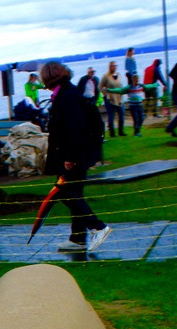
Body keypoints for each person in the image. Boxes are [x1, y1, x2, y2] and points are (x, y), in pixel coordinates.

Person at [40, 61, 111, 254]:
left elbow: (74, 127)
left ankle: (98, 227)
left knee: (64, 192)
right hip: (78, 152)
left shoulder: (67, 95)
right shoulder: (66, 93)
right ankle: (77, 238)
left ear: (48, 77)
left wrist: (69, 156)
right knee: (74, 193)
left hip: (74, 155)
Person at [100, 61, 126, 137]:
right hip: (110, 99)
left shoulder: (119, 75)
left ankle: (121, 131)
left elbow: (121, 86)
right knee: (111, 116)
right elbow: (100, 87)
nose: (113, 67)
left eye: (115, 66)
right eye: (112, 66)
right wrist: (105, 94)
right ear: (109, 67)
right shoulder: (106, 76)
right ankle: (112, 133)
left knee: (121, 114)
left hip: (119, 98)